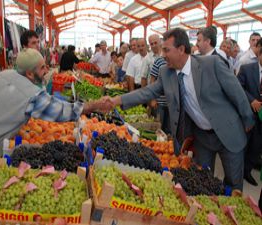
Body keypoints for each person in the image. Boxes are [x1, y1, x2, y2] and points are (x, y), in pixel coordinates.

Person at [105, 28, 254, 190]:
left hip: (228, 131)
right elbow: (146, 92)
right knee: (202, 180)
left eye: (166, 50)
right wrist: (116, 101)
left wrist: (247, 119)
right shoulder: (166, 73)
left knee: (233, 184)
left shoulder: (211, 64)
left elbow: (237, 92)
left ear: (181, 49)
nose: (163, 54)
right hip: (203, 138)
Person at [0, 48, 112, 186]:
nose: (47, 70)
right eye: (42, 67)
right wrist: (95, 105)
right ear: (30, 74)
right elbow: (63, 112)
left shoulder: (3, 75)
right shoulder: (30, 94)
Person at [237, 47, 262, 186]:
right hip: (247, 116)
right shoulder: (246, 68)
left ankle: (247, 171)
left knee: (256, 148)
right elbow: (238, 87)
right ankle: (238, 174)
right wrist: (251, 100)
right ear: (259, 54)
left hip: (261, 119)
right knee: (243, 146)